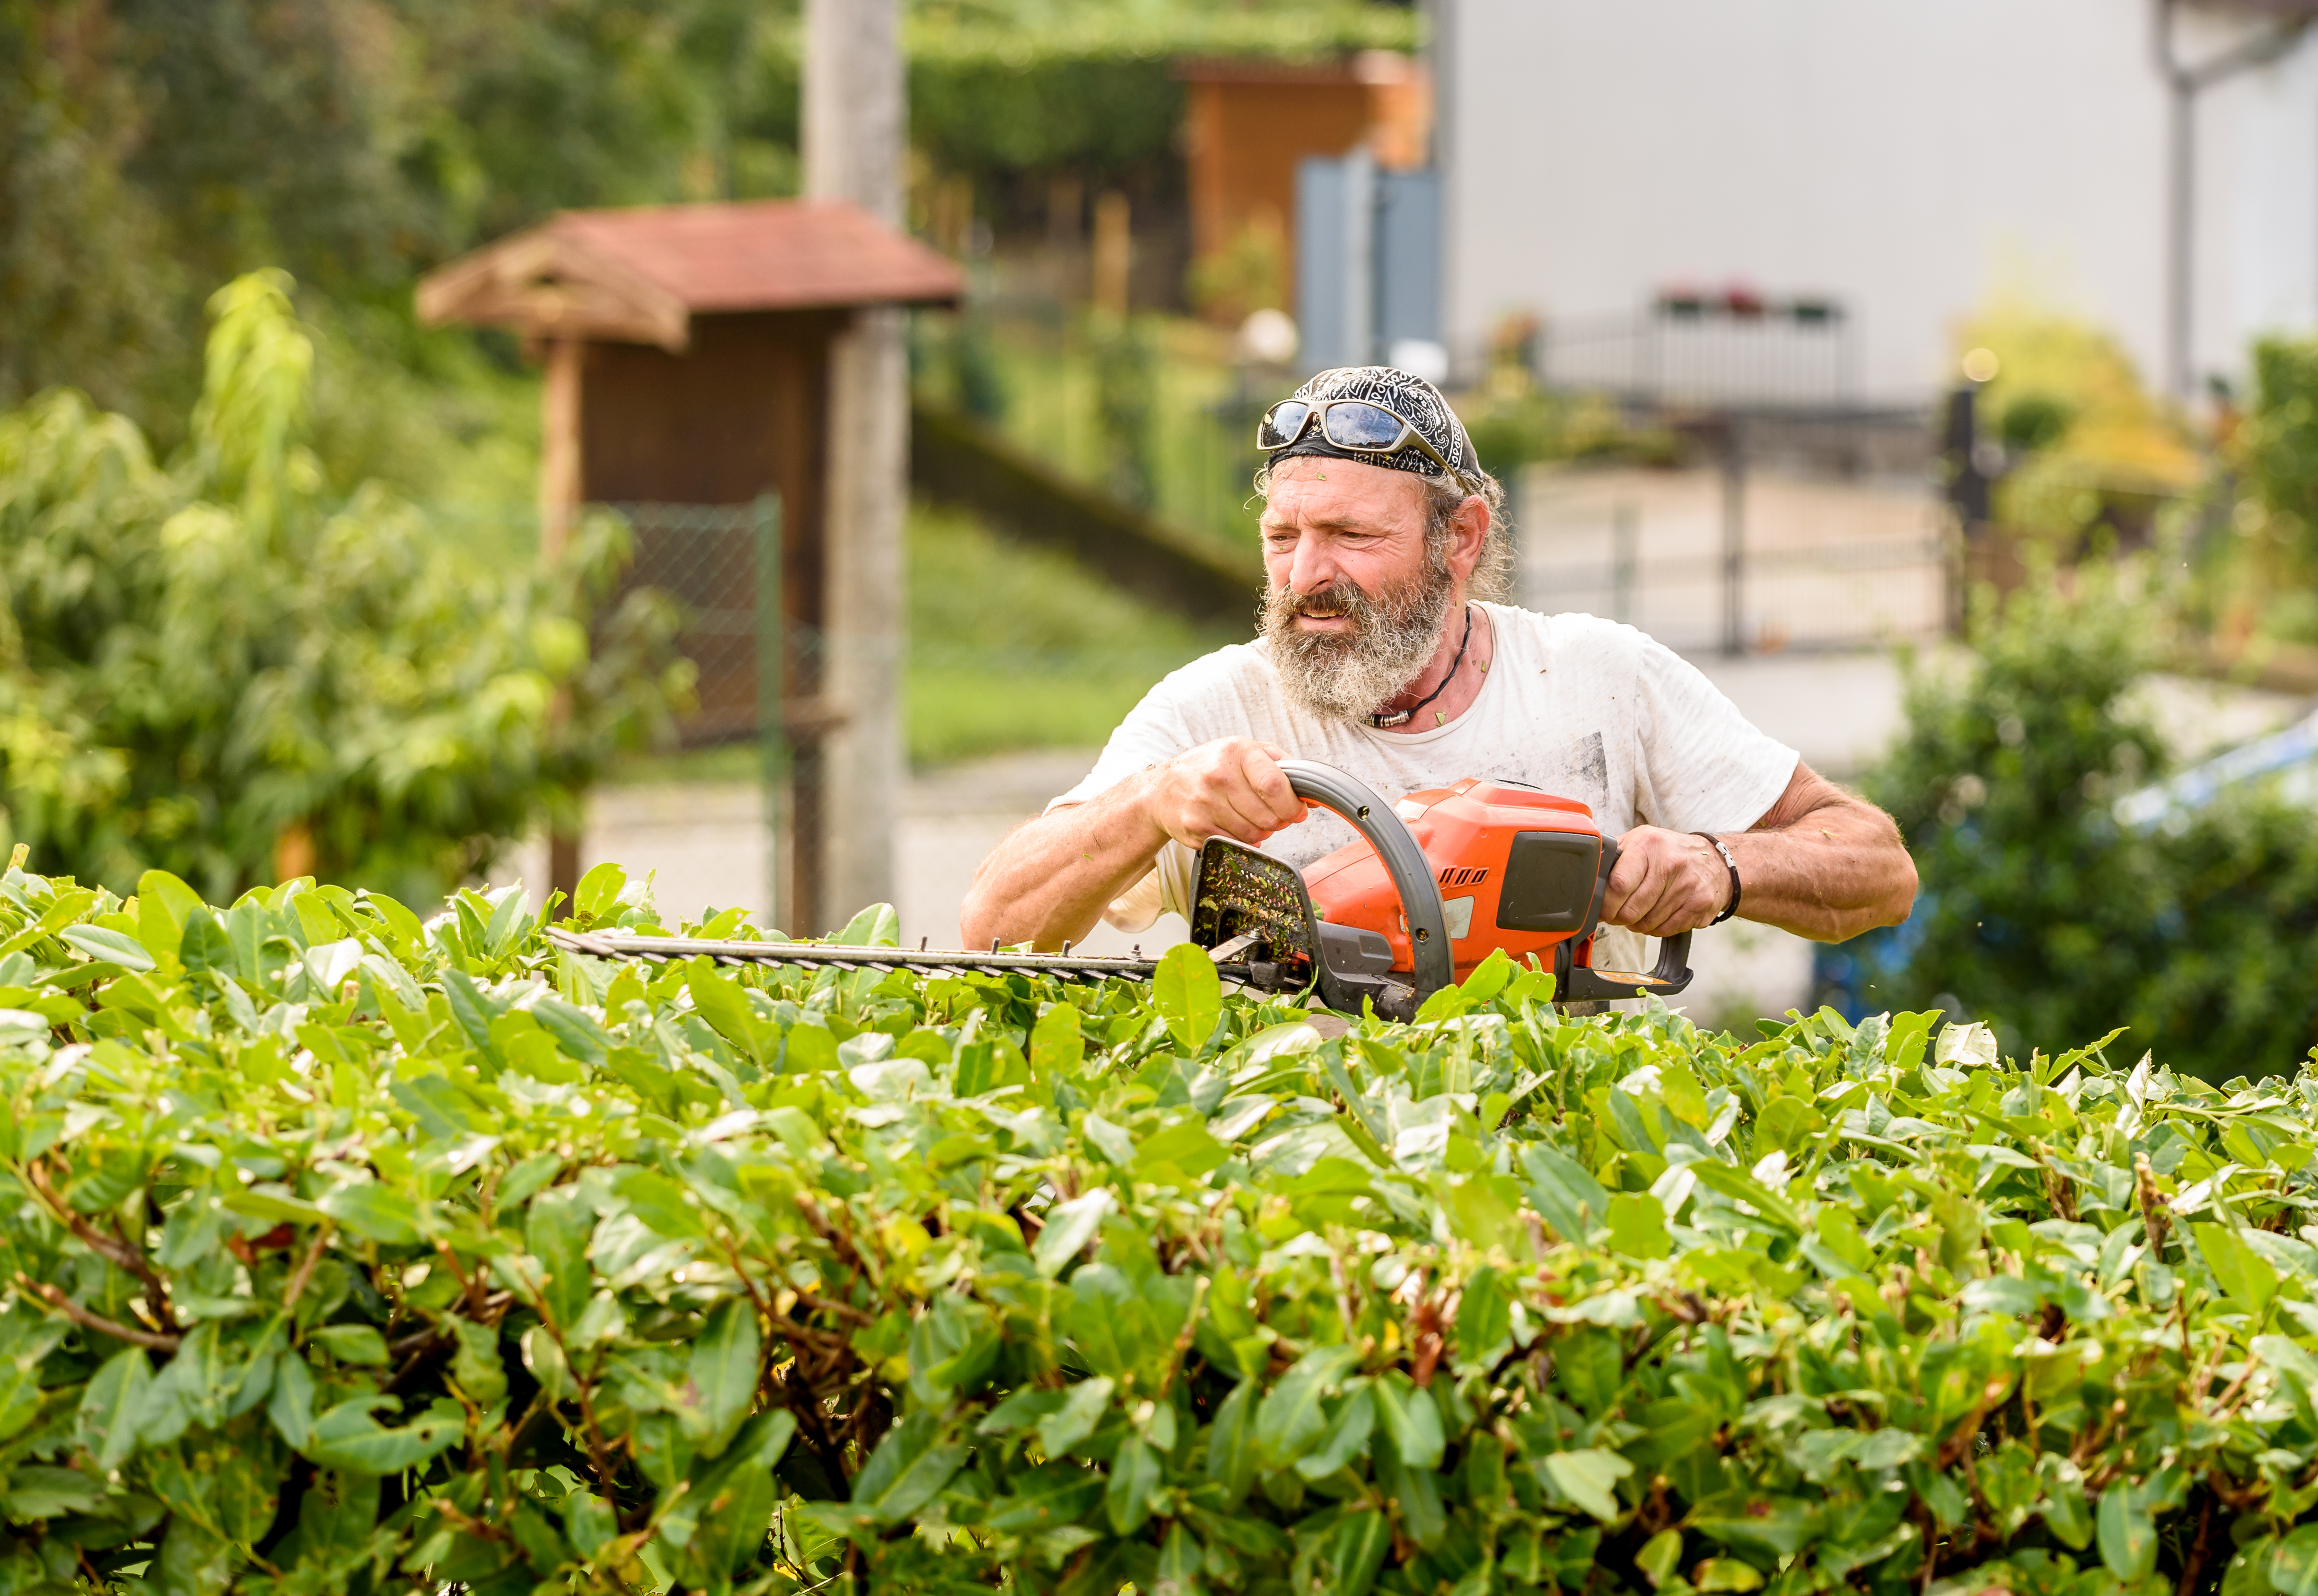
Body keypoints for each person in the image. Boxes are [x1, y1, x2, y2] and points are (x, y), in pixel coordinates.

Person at [959, 365, 1915, 975]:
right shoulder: (1217, 708)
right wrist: (1150, 806)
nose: (1304, 577)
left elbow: (1877, 868)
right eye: (1281, 537)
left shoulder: (1597, 678)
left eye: (1349, 535)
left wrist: (1721, 866)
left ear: (1460, 538)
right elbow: (993, 930)